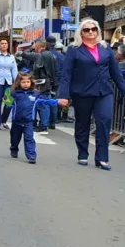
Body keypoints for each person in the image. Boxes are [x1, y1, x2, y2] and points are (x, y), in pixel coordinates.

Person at [58, 18, 125, 171]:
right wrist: (63, 95)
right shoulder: (74, 49)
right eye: (87, 29)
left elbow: (115, 73)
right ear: (81, 32)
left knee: (104, 122)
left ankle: (102, 158)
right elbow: (66, 74)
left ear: (98, 31)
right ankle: (82, 153)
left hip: (104, 91)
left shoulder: (106, 47)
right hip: (82, 92)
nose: (91, 32)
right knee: (82, 123)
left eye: (93, 29)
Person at [9, 72, 56, 165]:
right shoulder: (15, 94)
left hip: (28, 121)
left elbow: (46, 100)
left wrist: (57, 101)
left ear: (31, 83)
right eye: (23, 82)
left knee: (29, 138)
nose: (26, 84)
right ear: (18, 83)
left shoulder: (35, 94)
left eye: (28, 82)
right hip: (16, 121)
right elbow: (7, 103)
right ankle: (14, 149)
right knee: (15, 138)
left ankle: (31, 155)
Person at [20, 38, 58, 135]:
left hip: (41, 83)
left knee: (42, 105)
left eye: (36, 46)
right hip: (49, 82)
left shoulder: (40, 55)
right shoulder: (52, 55)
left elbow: (25, 54)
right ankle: (46, 124)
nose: (35, 48)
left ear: (41, 47)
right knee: (46, 104)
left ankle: (43, 126)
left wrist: (30, 48)